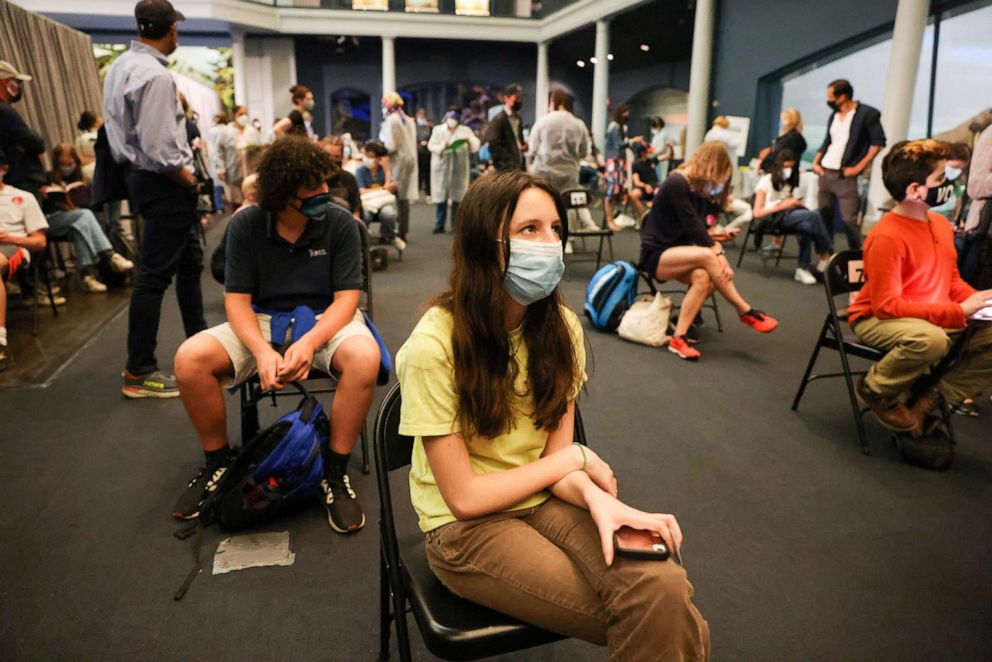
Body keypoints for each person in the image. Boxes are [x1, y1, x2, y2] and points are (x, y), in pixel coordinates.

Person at [395, 170, 710, 658]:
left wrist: (596, 497)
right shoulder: (434, 345)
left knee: (663, 587)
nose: (550, 245)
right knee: (656, 610)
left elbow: (558, 458)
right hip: (465, 531)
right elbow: (466, 499)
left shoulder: (560, 327)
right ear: (485, 242)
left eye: (556, 229)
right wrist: (575, 462)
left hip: (544, 501)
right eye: (529, 230)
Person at [172, 136, 379, 531]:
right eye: (313, 186)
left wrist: (309, 342)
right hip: (264, 319)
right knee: (189, 359)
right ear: (284, 193)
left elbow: (347, 300)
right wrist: (262, 353)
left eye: (324, 183)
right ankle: (218, 463)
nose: (325, 192)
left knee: (365, 359)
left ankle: (333, 472)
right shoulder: (246, 225)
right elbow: (237, 303)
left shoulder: (338, 222)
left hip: (326, 318)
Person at [848, 139, 992, 435]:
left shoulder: (938, 224)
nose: (947, 184)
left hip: (927, 315)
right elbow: (887, 307)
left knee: (941, 334)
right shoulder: (887, 235)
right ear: (914, 190)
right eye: (940, 179)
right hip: (877, 317)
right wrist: (957, 311)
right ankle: (876, 389)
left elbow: (950, 279)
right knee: (932, 340)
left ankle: (932, 396)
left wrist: (976, 299)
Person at [103, 0, 207, 398]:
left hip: (141, 180)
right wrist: (189, 180)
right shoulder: (156, 77)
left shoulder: (121, 67)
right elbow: (161, 149)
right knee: (154, 276)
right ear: (172, 30)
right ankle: (139, 370)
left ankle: (200, 344)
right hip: (165, 183)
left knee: (189, 261)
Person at [639, 141, 780, 361]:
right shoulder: (678, 182)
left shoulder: (701, 191)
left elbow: (699, 231)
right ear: (711, 166)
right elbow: (694, 229)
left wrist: (716, 238)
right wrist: (719, 254)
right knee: (709, 256)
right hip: (656, 255)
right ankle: (745, 310)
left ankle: (679, 337)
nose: (722, 182)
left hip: (680, 252)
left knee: (705, 277)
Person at [42, 144, 133, 293]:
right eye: (63, 165)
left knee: (79, 227)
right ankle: (109, 255)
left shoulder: (81, 178)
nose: (67, 168)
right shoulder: (47, 178)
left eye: (70, 164)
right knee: (85, 215)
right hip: (54, 218)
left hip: (76, 218)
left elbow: (90, 201)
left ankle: (87, 276)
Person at [812, 79, 886, 250]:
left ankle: (855, 258)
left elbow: (878, 143)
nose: (829, 101)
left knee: (848, 220)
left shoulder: (867, 114)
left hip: (845, 175)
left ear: (842, 96)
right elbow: (828, 141)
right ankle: (826, 256)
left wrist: (859, 167)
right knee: (824, 216)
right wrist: (816, 162)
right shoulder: (834, 116)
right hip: (825, 172)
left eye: (831, 97)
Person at [752, 150, 833, 285]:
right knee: (814, 215)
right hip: (773, 218)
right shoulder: (766, 181)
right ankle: (826, 254)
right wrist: (782, 205)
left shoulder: (790, 182)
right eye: (786, 167)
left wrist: (794, 203)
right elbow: (757, 213)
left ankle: (803, 268)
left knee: (806, 227)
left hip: (790, 214)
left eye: (791, 167)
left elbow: (796, 199)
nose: (789, 170)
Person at [0, 147, 48, 372]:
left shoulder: (23, 198)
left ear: (4, 169)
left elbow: (40, 241)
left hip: (13, 245)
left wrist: (12, 237)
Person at [428, 108, 480, 234]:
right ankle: (439, 224)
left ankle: (455, 225)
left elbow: (475, 145)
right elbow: (431, 146)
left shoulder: (465, 130)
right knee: (441, 198)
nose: (453, 121)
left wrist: (469, 140)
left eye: (455, 119)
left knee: (457, 198)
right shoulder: (438, 130)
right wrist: (442, 146)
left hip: (458, 168)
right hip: (442, 167)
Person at [527, 90, 589, 193]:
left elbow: (532, 149)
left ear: (552, 103)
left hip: (544, 174)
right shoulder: (579, 124)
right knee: (565, 206)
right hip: (569, 176)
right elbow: (584, 153)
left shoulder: (542, 122)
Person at [0, 60, 45, 200]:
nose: (19, 86)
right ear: (4, 82)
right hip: (20, 180)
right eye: (16, 81)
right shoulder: (4, 111)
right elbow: (36, 142)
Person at [379, 92, 418, 241]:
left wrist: (379, 149)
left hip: (398, 162)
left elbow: (393, 144)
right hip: (406, 161)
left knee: (397, 196)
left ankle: (394, 232)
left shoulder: (393, 120)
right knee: (403, 197)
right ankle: (402, 231)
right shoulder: (405, 119)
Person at [355, 140, 405, 252]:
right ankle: (364, 239)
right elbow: (361, 191)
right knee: (365, 216)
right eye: (366, 155)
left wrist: (387, 169)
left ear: (379, 158)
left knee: (389, 214)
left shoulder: (385, 171)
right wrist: (382, 189)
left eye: (371, 156)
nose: (367, 158)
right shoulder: (360, 171)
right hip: (367, 203)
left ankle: (387, 237)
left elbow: (390, 188)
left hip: (383, 203)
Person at [603, 102, 644, 230]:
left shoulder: (619, 127)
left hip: (619, 162)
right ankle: (609, 220)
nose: (628, 115)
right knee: (611, 191)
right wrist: (633, 140)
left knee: (616, 192)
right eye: (626, 112)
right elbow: (618, 144)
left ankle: (611, 219)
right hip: (613, 162)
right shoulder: (614, 126)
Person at [485, 83, 526, 173]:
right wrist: (503, 165)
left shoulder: (518, 119)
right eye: (516, 98)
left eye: (521, 98)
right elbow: (493, 144)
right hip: (505, 169)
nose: (519, 101)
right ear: (506, 98)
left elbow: (518, 141)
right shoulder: (498, 119)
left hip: (518, 166)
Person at [320, 136, 362, 219]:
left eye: (336, 157)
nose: (331, 160)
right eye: (327, 155)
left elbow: (356, 211)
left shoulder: (349, 179)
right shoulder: (313, 179)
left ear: (342, 157)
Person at [758, 108, 807, 172]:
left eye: (784, 119)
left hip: (780, 173)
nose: (782, 121)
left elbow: (778, 153)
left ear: (791, 120)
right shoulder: (790, 137)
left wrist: (763, 164)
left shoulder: (791, 138)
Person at [630, 142, 658, 218]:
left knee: (660, 191)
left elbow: (669, 155)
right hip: (644, 187)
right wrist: (646, 186)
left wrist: (670, 147)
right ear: (643, 153)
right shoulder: (636, 164)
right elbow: (636, 181)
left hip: (655, 186)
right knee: (633, 194)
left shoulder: (652, 161)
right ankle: (644, 218)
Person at [649, 116, 674, 182]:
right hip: (655, 159)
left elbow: (662, 148)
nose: (656, 128)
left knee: (662, 178)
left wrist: (652, 152)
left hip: (663, 158)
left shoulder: (664, 134)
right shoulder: (655, 135)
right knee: (657, 177)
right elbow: (653, 145)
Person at [415, 107, 432, 196]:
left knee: (427, 173)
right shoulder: (413, 126)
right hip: (417, 152)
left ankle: (428, 193)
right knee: (417, 173)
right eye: (420, 114)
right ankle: (416, 191)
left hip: (427, 153)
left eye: (423, 115)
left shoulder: (429, 126)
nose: (421, 116)